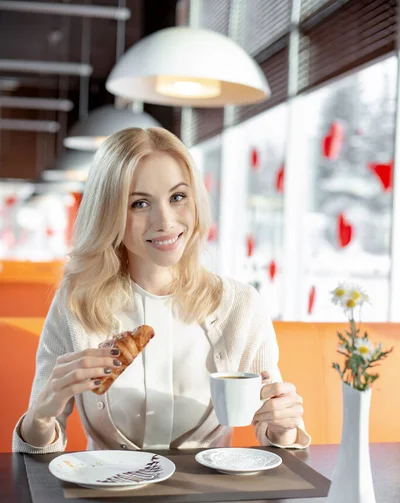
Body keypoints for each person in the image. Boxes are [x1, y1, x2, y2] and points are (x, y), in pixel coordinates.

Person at [13, 127, 310, 454]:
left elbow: (277, 435)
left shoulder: (241, 306)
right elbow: (33, 458)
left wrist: (284, 427)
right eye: (139, 203)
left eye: (178, 197)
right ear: (109, 213)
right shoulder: (76, 303)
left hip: (209, 499)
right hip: (107, 497)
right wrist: (41, 415)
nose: (165, 221)